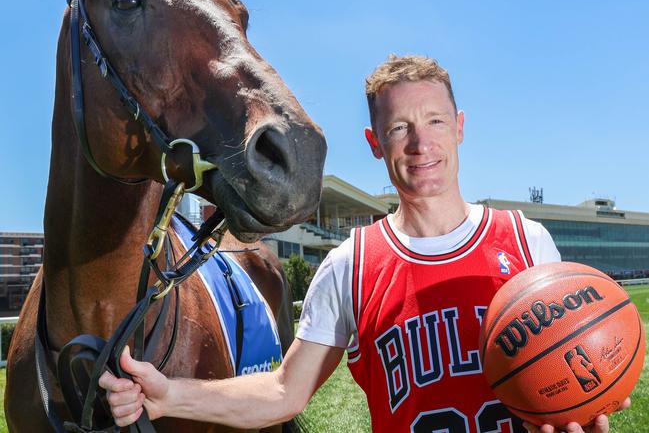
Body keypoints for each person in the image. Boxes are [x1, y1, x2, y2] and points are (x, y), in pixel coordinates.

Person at [100, 55, 629, 433]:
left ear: (460, 127)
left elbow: (574, 371)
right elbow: (285, 392)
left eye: (435, 121)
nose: (421, 144)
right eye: (400, 127)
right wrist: (172, 396)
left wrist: (583, 402)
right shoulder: (350, 265)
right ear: (375, 143)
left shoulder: (527, 243)